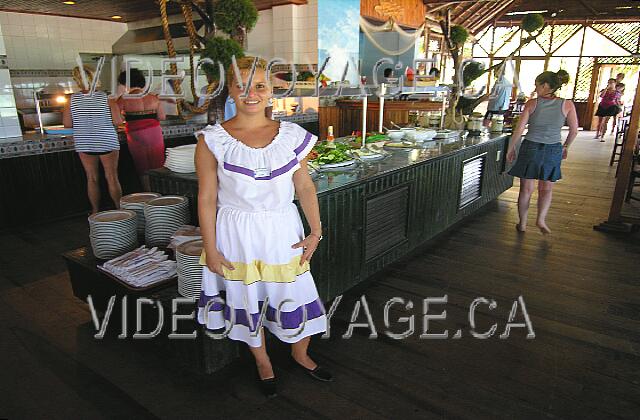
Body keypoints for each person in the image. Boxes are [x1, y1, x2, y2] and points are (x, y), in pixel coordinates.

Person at [194, 57, 332, 398]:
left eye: (259, 85)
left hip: (283, 229)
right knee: (247, 296)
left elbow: (305, 187)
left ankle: (300, 353)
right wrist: (211, 249)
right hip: (235, 233)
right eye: (240, 85)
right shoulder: (211, 140)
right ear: (229, 90)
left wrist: (315, 232)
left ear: (272, 91)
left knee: (294, 293)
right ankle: (262, 361)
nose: (250, 93)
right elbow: (207, 198)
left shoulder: (291, 136)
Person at [506, 70, 578, 235]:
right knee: (546, 189)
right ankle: (541, 219)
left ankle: (522, 223)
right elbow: (574, 131)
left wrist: (511, 148)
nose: (535, 88)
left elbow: (520, 129)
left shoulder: (532, 104)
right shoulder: (567, 104)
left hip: (530, 147)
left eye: (537, 85)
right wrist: (566, 147)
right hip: (553, 149)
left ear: (545, 85)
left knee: (526, 189)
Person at [63, 65, 122, 215]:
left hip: (84, 142)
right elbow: (117, 121)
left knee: (91, 178)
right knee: (112, 176)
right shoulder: (107, 98)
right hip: (106, 140)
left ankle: (95, 211)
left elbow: (67, 124)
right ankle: (119, 209)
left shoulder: (70, 100)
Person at [115, 68, 166, 190]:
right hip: (154, 132)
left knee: (142, 166)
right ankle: (161, 193)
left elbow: (118, 119)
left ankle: (149, 194)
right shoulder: (154, 98)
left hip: (135, 134)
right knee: (158, 164)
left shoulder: (123, 99)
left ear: (126, 83)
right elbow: (162, 117)